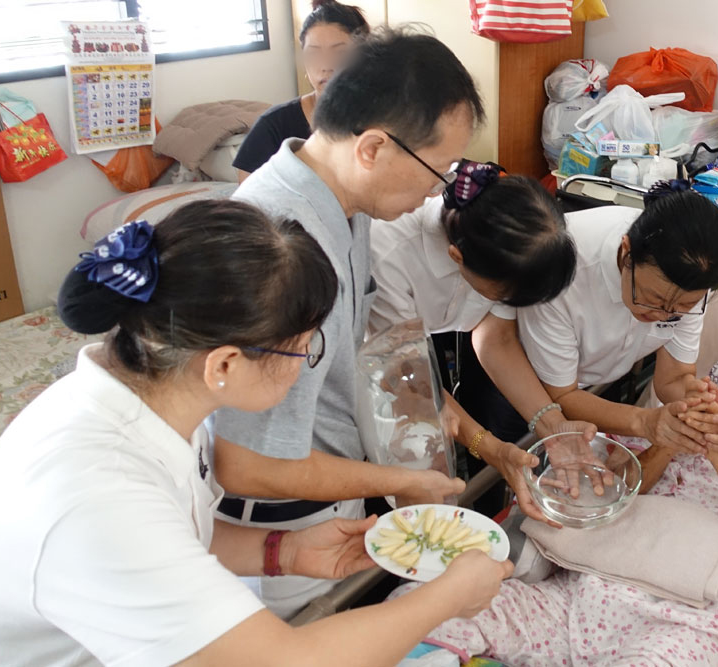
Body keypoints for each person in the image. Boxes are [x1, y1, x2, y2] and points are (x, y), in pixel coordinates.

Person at [0, 201, 513, 667]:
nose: (309, 364)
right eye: (303, 350)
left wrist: (284, 552)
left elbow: (179, 532)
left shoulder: (148, 403)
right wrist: (450, 594)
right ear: (225, 364)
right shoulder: (100, 495)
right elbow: (285, 660)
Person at [212, 28, 487, 619]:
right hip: (277, 512)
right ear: (372, 148)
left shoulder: (342, 200)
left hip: (325, 485)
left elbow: (355, 348)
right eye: (438, 169)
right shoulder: (283, 244)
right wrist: (398, 481)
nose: (442, 189)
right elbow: (245, 462)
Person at [408, 301, 718, 666]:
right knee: (432, 612)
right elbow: (602, 489)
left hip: (700, 617)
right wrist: (668, 440)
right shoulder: (673, 408)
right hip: (588, 591)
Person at [369, 161, 595, 526]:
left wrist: (551, 423)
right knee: (415, 480)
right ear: (457, 257)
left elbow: (498, 339)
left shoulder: (507, 247)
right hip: (375, 357)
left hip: (423, 336)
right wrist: (490, 449)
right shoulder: (390, 251)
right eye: (506, 297)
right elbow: (409, 383)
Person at [516, 181, 718, 459]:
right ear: (626, 253)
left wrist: (701, 406)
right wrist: (645, 422)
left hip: (594, 387)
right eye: (651, 299)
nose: (662, 315)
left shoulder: (693, 276)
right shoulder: (562, 268)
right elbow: (562, 394)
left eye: (682, 306)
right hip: (524, 382)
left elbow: (673, 378)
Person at [233, 0, 369, 181]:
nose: (326, 65)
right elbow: (247, 200)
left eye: (340, 53)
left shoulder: (388, 118)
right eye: (314, 53)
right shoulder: (274, 125)